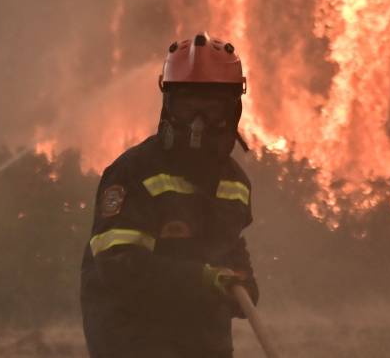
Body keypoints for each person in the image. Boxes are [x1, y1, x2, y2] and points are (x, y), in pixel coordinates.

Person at [80, 32, 259, 358]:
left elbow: (230, 246)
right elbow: (118, 266)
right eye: (189, 105)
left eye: (213, 107)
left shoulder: (235, 183)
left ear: (234, 108)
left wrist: (242, 279)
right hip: (134, 342)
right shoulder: (133, 173)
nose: (199, 122)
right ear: (168, 104)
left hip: (206, 345)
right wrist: (201, 278)